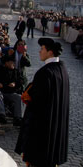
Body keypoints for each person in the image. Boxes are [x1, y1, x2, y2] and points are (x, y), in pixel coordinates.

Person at [15, 38, 69, 167]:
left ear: (50, 52)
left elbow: (35, 102)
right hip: (55, 129)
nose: (39, 51)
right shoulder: (62, 69)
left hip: (42, 133)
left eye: (42, 49)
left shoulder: (45, 73)